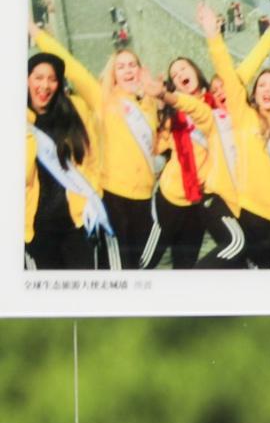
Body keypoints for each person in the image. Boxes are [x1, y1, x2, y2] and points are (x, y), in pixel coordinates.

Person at [30, 27, 161, 269]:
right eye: (120, 66)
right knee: (117, 269)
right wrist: (36, 34)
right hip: (113, 196)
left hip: (144, 198)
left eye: (132, 64)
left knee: (139, 267)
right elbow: (70, 66)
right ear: (112, 74)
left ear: (140, 70)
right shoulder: (102, 98)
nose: (127, 69)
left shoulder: (150, 104)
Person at [197, 3, 270, 269]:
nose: (267, 90)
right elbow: (227, 71)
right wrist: (214, 35)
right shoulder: (244, 116)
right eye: (261, 85)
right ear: (254, 93)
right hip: (253, 217)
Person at [153, 53, 246, 268]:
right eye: (175, 75)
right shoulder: (173, 114)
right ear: (173, 86)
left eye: (183, 68)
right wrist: (157, 108)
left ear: (195, 70)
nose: (180, 74)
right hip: (172, 194)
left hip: (203, 196)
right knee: (150, 258)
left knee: (186, 260)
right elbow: (156, 147)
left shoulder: (217, 101)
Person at [24, 50, 110, 270]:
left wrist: (93, 196)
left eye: (52, 79)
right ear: (26, 79)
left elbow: (94, 158)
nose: (45, 85)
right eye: (38, 77)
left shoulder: (74, 109)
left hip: (78, 222)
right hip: (37, 229)